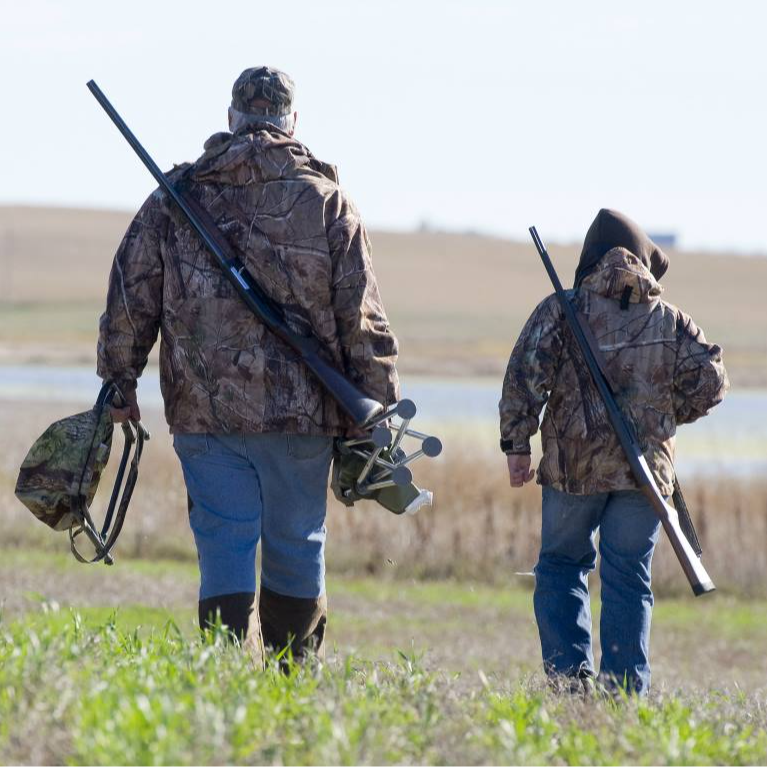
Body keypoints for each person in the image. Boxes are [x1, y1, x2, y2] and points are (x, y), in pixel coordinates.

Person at [97, 66, 399, 662]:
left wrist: (119, 379)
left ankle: (224, 674)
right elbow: (362, 320)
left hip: (203, 413)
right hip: (301, 417)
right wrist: (376, 409)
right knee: (296, 543)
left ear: (233, 117)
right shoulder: (328, 201)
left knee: (223, 545)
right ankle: (292, 682)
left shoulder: (176, 196)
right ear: (291, 121)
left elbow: (130, 295)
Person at [499, 209, 728, 695]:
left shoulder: (561, 308)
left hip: (572, 472)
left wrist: (517, 446)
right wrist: (665, 417)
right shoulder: (669, 319)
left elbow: (524, 379)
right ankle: (625, 694)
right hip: (644, 478)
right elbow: (713, 382)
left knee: (561, 567)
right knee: (628, 578)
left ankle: (569, 684)